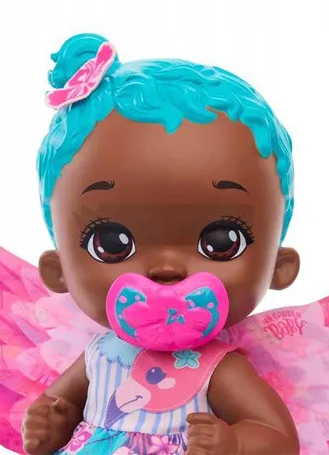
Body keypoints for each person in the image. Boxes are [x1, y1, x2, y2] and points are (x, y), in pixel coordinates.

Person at [21, 33, 300, 454]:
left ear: (278, 267)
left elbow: (279, 439)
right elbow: (62, 404)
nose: (167, 268)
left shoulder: (218, 368)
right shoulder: (99, 355)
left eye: (220, 242)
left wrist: (234, 442)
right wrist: (51, 423)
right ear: (58, 270)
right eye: (111, 243)